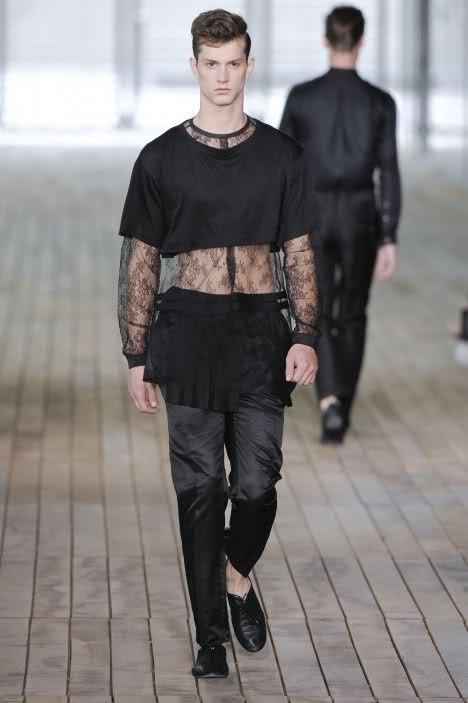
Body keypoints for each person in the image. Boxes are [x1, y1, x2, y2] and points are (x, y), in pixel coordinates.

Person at [117, 9, 319, 679]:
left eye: (234, 63)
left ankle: (236, 574)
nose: (223, 76)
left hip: (261, 332)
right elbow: (141, 259)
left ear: (249, 65)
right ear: (195, 66)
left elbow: (299, 250)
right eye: (212, 64)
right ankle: (209, 638)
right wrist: (136, 354)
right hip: (189, 336)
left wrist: (306, 333)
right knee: (200, 490)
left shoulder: (283, 156)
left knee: (256, 483)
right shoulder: (160, 159)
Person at [280, 5, 401, 443]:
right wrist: (389, 234)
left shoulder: (302, 97)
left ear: (325, 40)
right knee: (352, 311)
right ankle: (342, 401)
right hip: (360, 215)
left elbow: (283, 165)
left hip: (312, 215)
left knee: (316, 306)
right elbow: (389, 170)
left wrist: (281, 225)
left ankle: (329, 398)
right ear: (362, 41)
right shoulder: (380, 102)